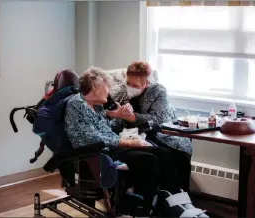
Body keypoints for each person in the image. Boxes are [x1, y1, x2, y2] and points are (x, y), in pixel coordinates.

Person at [64, 66, 208, 217]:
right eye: (107, 86)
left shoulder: (96, 106)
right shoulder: (77, 105)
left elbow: (107, 129)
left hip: (111, 145)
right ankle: (145, 209)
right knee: (148, 159)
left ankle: (178, 201)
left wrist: (120, 115)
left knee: (163, 152)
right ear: (95, 86)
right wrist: (127, 143)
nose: (109, 90)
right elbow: (91, 138)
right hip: (97, 152)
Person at [108, 61, 192, 192]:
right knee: (161, 155)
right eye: (128, 83)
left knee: (178, 155)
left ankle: (176, 196)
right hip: (130, 134)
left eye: (135, 85)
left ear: (146, 84)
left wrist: (128, 116)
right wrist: (117, 115)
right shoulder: (118, 92)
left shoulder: (157, 91)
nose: (129, 87)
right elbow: (107, 114)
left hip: (158, 131)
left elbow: (157, 120)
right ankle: (160, 196)